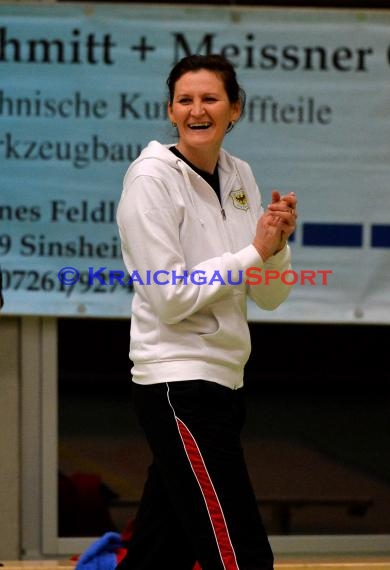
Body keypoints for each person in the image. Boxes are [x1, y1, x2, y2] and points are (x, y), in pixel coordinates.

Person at [116, 54, 297, 570]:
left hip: (225, 382)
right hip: (177, 386)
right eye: (185, 100)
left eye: (210, 98)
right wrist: (253, 253)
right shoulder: (151, 178)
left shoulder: (240, 174)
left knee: (158, 553)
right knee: (240, 554)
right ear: (171, 111)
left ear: (234, 108)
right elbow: (168, 297)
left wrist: (276, 247)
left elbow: (269, 295)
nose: (197, 110)